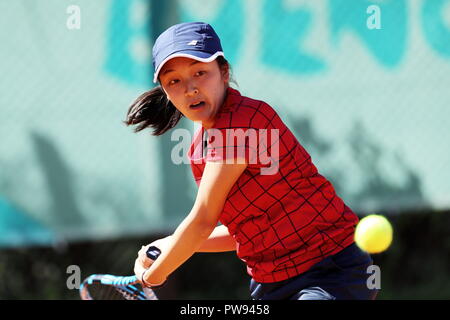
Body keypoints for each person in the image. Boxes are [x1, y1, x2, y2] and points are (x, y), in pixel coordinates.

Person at [126, 22, 378, 300]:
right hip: (270, 285)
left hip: (332, 270)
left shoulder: (243, 122)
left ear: (224, 72)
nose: (190, 88)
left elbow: (202, 222)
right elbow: (242, 234)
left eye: (200, 72)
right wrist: (171, 243)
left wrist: (154, 276)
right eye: (174, 81)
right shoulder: (199, 147)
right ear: (164, 90)